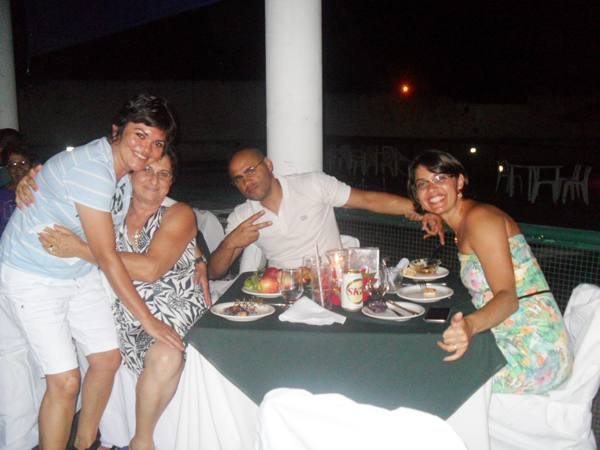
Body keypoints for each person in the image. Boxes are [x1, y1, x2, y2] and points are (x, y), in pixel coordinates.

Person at [0, 93, 182, 450]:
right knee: (66, 382)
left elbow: (157, 200)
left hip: (78, 274)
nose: (147, 149)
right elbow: (107, 257)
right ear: (117, 131)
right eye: (139, 134)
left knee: (106, 360)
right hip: (33, 276)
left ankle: (85, 444)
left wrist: (199, 257)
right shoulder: (93, 170)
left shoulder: (125, 171)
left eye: (157, 142)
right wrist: (148, 321)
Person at [38, 150, 208, 450]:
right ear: (130, 173)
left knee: (167, 355)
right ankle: (90, 440)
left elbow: (151, 269)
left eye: (164, 174)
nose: (154, 180)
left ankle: (141, 440)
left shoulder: (179, 213)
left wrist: (81, 249)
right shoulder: (108, 212)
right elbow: (64, 185)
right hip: (124, 312)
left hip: (176, 309)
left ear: (171, 182)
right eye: (147, 170)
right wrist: (32, 178)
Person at [407, 149, 572, 394]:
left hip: (534, 351)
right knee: (428, 355)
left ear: (459, 182)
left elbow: (508, 298)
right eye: (423, 184)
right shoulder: (463, 221)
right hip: (502, 334)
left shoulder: (481, 219)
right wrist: (430, 214)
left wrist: (470, 326)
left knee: (432, 373)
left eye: (440, 178)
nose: (432, 189)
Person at [209, 148, 443, 279]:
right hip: (283, 289)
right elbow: (214, 273)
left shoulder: (311, 185)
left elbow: (367, 200)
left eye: (250, 170)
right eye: (238, 178)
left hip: (332, 284)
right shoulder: (242, 216)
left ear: (268, 165)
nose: (246, 181)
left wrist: (422, 210)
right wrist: (230, 243)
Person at [0, 141, 34, 236]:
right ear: (7, 169)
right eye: (13, 165)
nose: (18, 169)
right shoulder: (2, 195)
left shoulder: (41, 189)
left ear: (32, 164)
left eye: (23, 163)